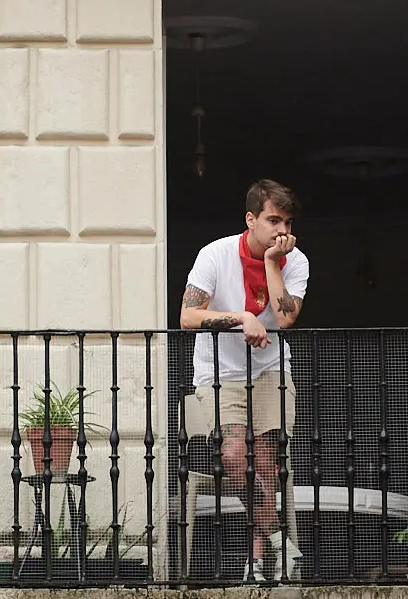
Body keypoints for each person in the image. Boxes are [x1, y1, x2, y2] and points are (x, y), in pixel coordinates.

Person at [179, 178, 309, 582]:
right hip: (221, 375)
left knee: (265, 466)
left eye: (287, 222)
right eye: (273, 220)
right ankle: (278, 542)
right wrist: (241, 319)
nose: (281, 230)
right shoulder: (215, 255)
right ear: (250, 219)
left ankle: (255, 563)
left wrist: (273, 262)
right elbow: (187, 317)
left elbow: (286, 318)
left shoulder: (296, 261)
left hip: (272, 371)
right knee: (235, 456)